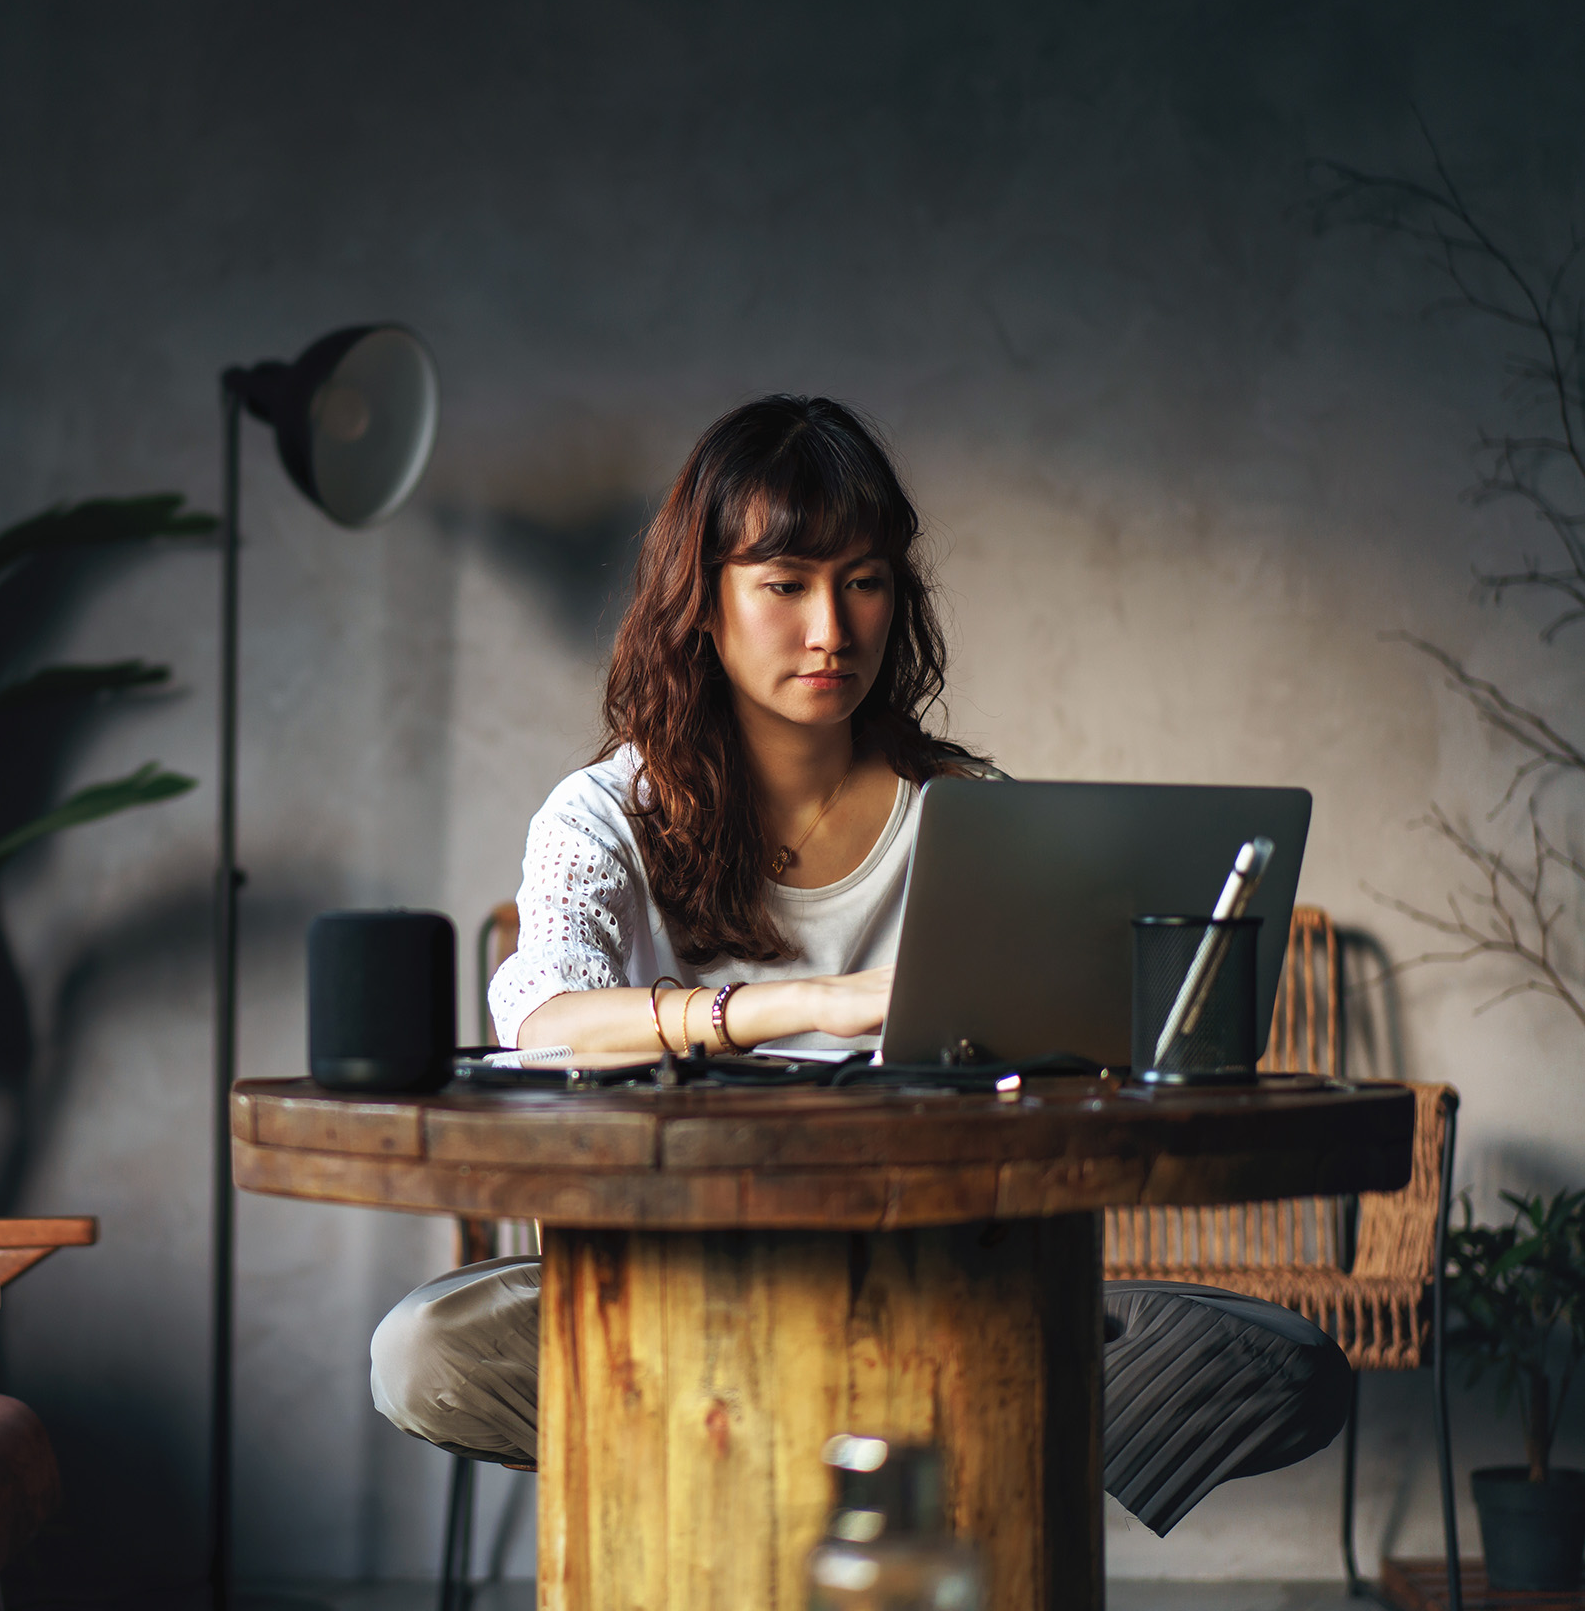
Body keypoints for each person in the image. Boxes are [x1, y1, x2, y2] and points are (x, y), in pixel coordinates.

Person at [369, 395, 1352, 1536]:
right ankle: (895, 1436)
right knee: (424, 1350)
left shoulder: (968, 819)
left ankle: (795, 1427)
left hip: (939, 1283)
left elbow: (1062, 1077)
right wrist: (802, 1004)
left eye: (864, 579)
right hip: (676, 1285)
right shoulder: (602, 815)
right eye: (784, 584)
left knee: (1287, 1367)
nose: (831, 626)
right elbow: (541, 1015)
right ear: (705, 601)